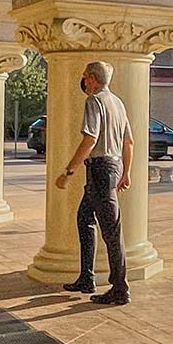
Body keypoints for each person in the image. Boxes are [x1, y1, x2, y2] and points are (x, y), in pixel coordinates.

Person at [56, 61, 136, 305]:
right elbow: (128, 142)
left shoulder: (94, 101)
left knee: (112, 230)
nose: (83, 81)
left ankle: (120, 288)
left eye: (85, 77)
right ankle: (86, 278)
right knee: (84, 219)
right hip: (110, 168)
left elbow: (90, 139)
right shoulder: (118, 103)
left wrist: (69, 171)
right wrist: (126, 173)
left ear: (92, 78)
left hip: (100, 169)